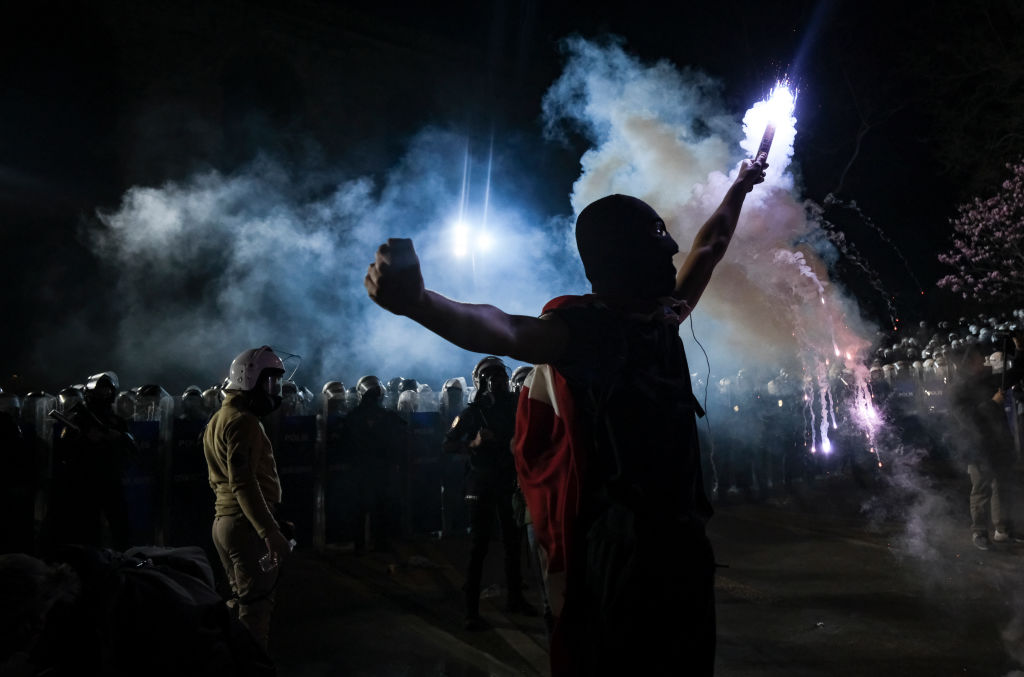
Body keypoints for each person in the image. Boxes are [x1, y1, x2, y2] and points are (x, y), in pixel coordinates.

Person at [366, 154, 766, 674]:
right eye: (658, 237)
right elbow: (505, 330)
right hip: (625, 556)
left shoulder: (660, 319)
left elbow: (710, 247)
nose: (672, 248)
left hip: (682, 546)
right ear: (623, 257)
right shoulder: (586, 334)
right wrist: (420, 302)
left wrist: (739, 186)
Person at [203, 346, 293, 652]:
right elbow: (243, 482)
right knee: (256, 611)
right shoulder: (244, 421)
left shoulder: (219, 418)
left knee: (240, 603)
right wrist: (269, 531)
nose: (275, 392)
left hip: (226, 523)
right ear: (248, 378)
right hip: (246, 527)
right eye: (270, 383)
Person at [444, 356, 536, 630]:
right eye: (492, 376)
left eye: (500, 375)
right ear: (482, 382)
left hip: (508, 481)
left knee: (512, 543)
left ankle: (515, 599)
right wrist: (475, 441)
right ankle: (471, 611)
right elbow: (447, 445)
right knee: (479, 546)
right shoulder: (472, 413)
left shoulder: (515, 407)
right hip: (481, 483)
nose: (498, 381)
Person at [40, 372, 137, 553]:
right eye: (100, 390)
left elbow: (131, 446)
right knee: (87, 529)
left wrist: (114, 438)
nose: (104, 394)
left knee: (121, 526)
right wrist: (82, 440)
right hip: (85, 481)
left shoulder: (116, 421)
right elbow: (62, 452)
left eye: (107, 390)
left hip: (111, 478)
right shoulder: (79, 418)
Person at [950, 345, 1018, 550]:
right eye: (979, 358)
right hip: (976, 447)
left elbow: (1015, 374)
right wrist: (992, 403)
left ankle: (1002, 529)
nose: (983, 361)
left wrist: (1020, 349)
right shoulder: (957, 388)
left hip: (997, 445)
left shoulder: (987, 379)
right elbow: (967, 418)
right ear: (969, 362)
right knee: (981, 489)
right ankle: (979, 532)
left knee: (1001, 486)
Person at [338, 375, 407, 552]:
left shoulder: (352, 416)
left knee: (360, 509)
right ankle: (380, 544)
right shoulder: (388, 416)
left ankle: (360, 546)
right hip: (381, 470)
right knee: (380, 507)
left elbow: (344, 443)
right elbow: (400, 438)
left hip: (359, 469)